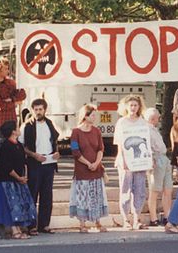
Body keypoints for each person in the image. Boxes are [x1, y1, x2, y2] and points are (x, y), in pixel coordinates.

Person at [19, 98, 60, 235]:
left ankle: (45, 224)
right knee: (33, 194)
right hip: (34, 163)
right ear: (32, 110)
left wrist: (56, 153)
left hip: (49, 163)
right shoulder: (27, 126)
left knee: (47, 195)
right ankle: (32, 225)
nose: (38, 112)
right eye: (35, 109)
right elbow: (22, 146)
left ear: (45, 110)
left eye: (40, 109)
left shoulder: (50, 124)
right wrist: (34, 155)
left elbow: (54, 141)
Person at [69, 104, 109, 233]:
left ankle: (97, 222)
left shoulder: (96, 131)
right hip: (82, 171)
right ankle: (82, 223)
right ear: (85, 116)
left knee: (97, 195)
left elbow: (100, 149)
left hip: (96, 170)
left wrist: (97, 163)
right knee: (82, 196)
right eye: (92, 115)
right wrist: (87, 163)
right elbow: (75, 151)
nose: (94, 117)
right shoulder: (76, 132)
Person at [0, 120, 37, 239]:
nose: (19, 129)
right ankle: (14, 230)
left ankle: (19, 227)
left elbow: (23, 162)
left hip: (19, 180)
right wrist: (18, 177)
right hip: (8, 180)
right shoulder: (6, 146)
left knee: (20, 204)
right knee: (11, 205)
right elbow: (6, 166)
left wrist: (24, 176)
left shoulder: (18, 144)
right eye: (17, 127)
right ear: (13, 131)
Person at [113, 95, 149, 230]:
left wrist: (148, 159)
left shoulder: (143, 122)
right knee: (125, 190)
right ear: (126, 106)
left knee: (139, 190)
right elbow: (119, 144)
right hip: (125, 161)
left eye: (136, 105)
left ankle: (136, 219)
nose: (133, 108)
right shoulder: (122, 122)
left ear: (139, 107)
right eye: (131, 105)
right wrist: (122, 159)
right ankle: (126, 219)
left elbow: (146, 142)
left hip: (140, 161)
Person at [144, 107, 172, 226]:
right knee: (154, 189)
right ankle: (153, 218)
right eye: (156, 118)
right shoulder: (146, 130)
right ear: (152, 118)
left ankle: (167, 216)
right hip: (156, 158)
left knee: (167, 189)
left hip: (163, 157)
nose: (158, 120)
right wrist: (151, 160)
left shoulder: (154, 130)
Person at [0, 57, 27, 128]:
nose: (8, 71)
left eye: (7, 68)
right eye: (5, 69)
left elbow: (23, 94)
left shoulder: (10, 82)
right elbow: (0, 105)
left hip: (12, 121)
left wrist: (11, 99)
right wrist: (15, 103)